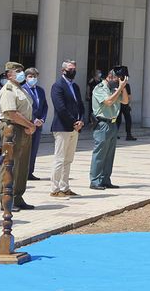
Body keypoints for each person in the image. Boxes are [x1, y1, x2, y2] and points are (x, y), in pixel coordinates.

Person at [0, 61, 37, 210]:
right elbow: (11, 113)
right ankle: (6, 198)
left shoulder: (21, 89)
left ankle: (18, 196)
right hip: (12, 129)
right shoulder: (8, 90)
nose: (21, 74)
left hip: (25, 128)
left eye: (22, 70)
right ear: (9, 74)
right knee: (10, 165)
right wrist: (29, 125)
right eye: (17, 71)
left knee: (23, 165)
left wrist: (30, 125)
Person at [49, 60, 85, 198]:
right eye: (70, 69)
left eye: (74, 68)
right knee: (59, 158)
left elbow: (80, 105)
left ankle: (65, 187)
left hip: (75, 128)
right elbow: (60, 108)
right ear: (63, 70)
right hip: (63, 127)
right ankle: (55, 188)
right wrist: (73, 122)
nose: (73, 71)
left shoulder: (75, 86)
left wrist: (81, 120)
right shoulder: (57, 86)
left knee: (68, 159)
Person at [89, 67, 129, 190]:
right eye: (117, 79)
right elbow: (108, 101)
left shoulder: (115, 88)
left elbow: (126, 101)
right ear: (110, 77)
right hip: (102, 124)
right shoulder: (100, 88)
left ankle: (106, 179)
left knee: (109, 154)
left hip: (113, 123)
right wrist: (120, 88)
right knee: (100, 153)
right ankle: (95, 181)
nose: (118, 82)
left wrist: (123, 87)